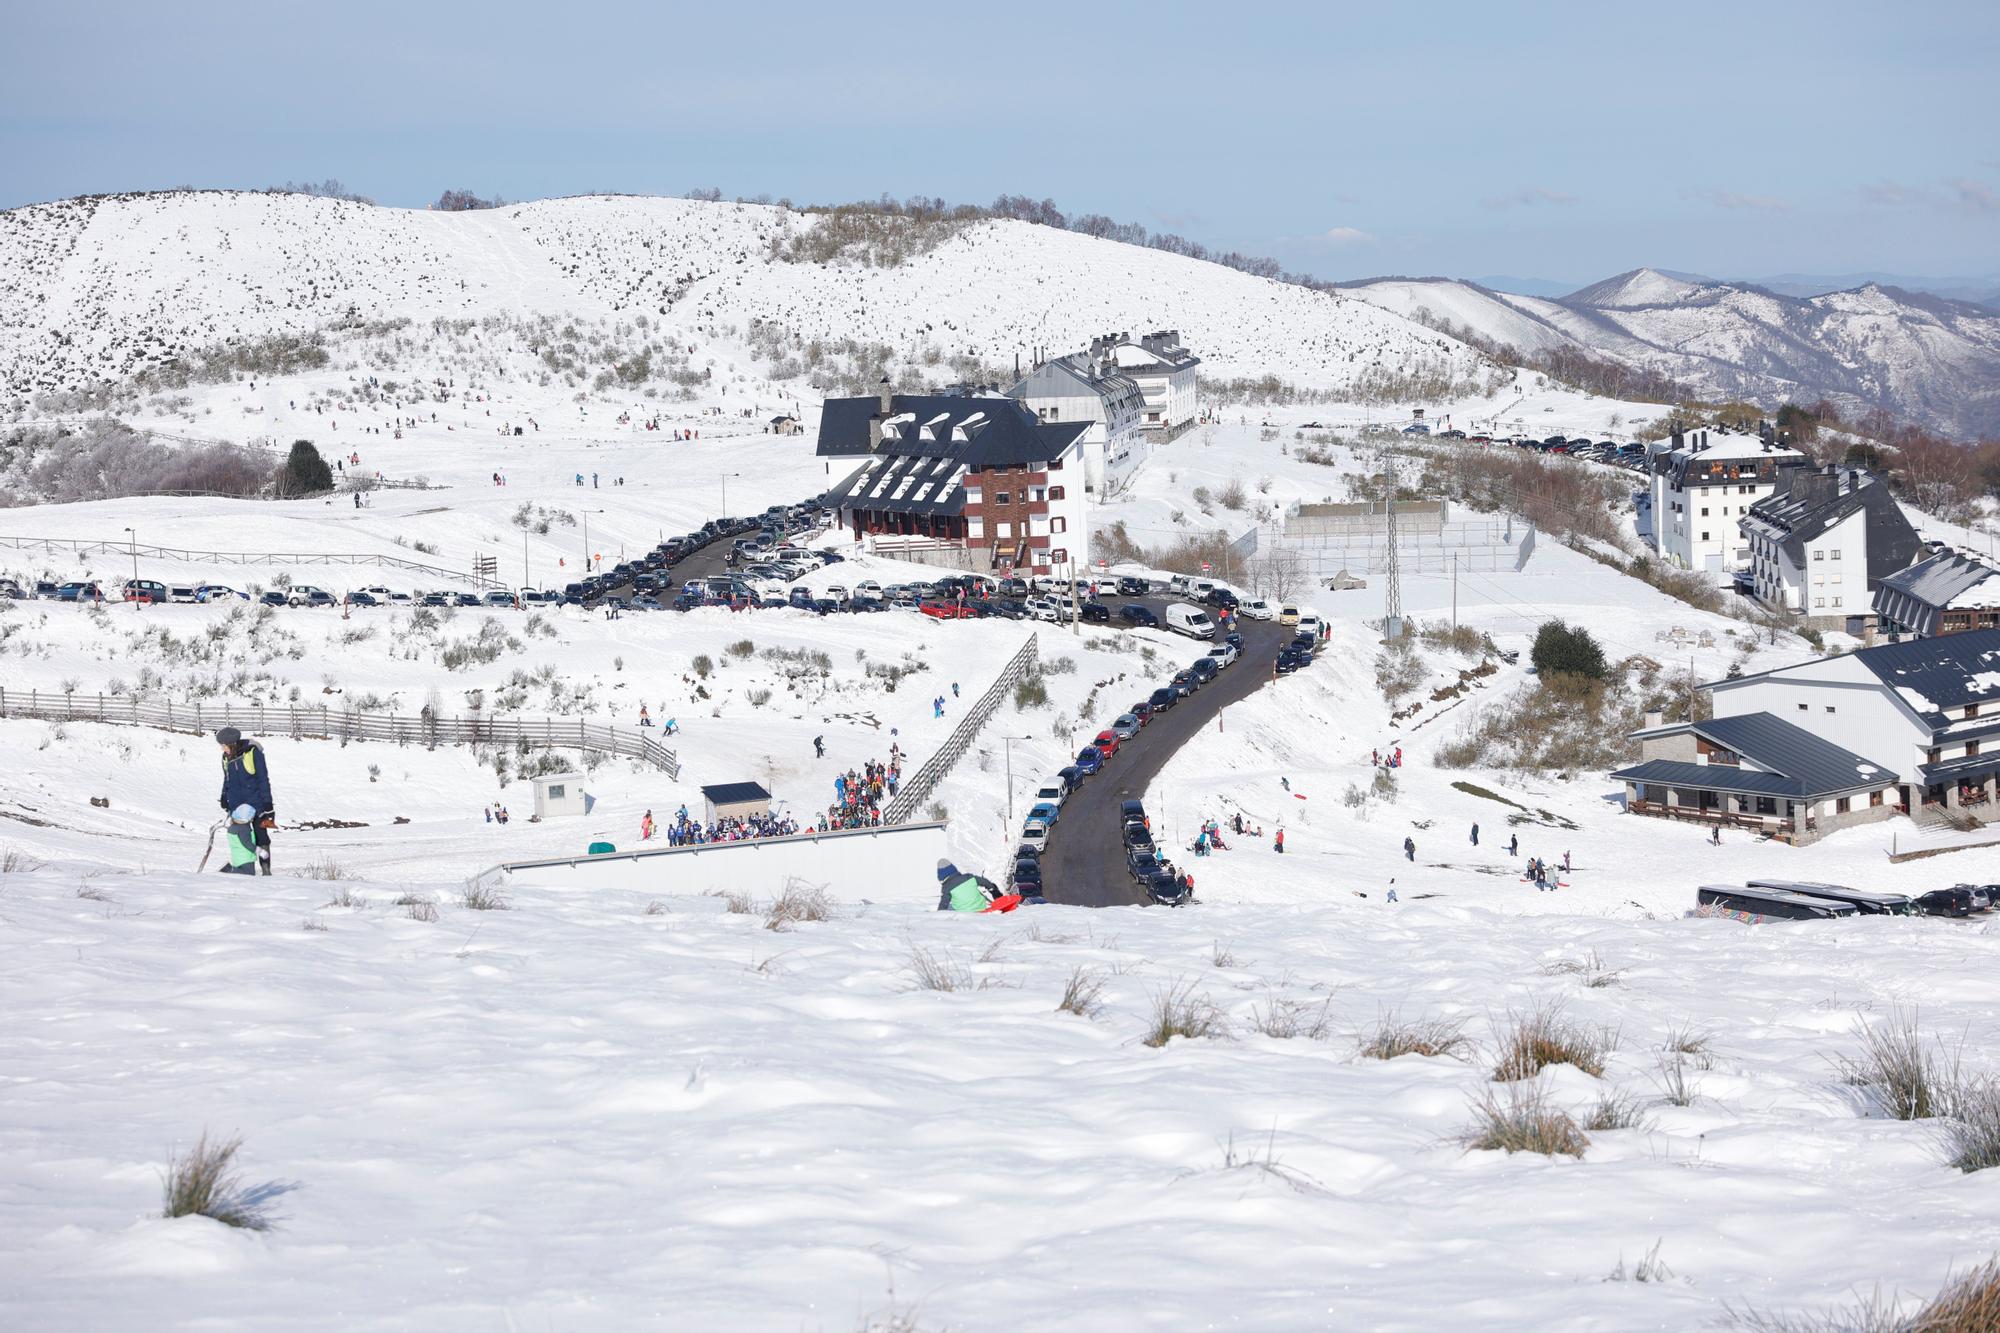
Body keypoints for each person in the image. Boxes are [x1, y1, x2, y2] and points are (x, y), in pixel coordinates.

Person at [216, 728, 274, 875]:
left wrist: (268, 805)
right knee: (239, 836)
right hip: (237, 805)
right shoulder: (225, 757)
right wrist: (224, 797)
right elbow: (227, 779)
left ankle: (266, 870)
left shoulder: (253, 753)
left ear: (233, 743)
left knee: (262, 836)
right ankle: (245, 870)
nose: (222, 748)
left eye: (224, 745)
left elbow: (263, 779)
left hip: (257, 804)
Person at [220, 803, 261, 876]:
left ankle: (231, 870)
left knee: (241, 875)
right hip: (245, 856)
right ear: (246, 817)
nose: (253, 818)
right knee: (249, 874)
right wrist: (258, 850)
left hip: (237, 856)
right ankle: (228, 869)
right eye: (251, 816)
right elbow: (247, 843)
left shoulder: (233, 827)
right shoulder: (244, 828)